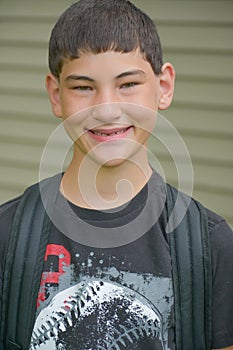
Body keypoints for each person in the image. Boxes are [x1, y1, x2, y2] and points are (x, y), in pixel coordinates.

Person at [0, 0, 233, 349]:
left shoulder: (210, 245)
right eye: (83, 87)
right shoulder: (8, 235)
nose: (107, 109)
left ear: (164, 86)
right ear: (55, 94)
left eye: (127, 84)